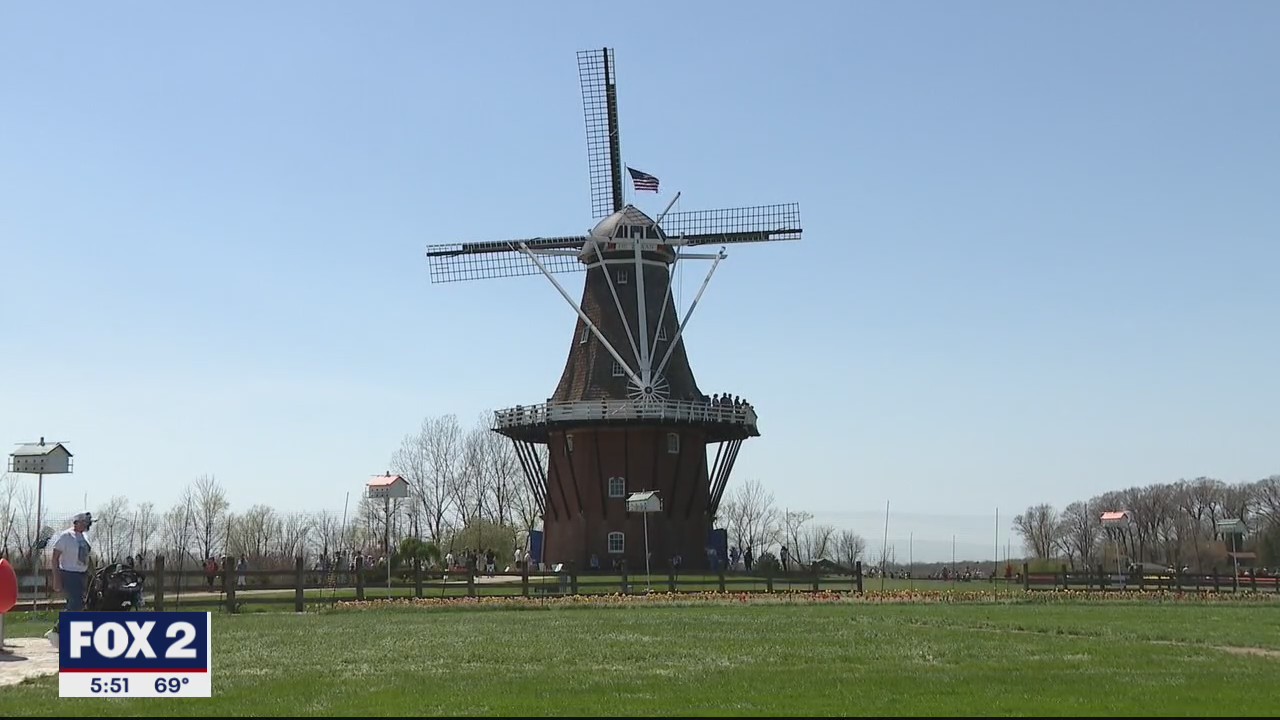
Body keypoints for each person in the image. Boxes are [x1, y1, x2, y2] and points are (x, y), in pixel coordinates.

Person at [44, 511, 94, 646]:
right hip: (69, 573)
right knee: (75, 603)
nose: (86, 525)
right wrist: (56, 577)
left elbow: (86, 557)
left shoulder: (85, 537)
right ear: (77, 522)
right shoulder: (66, 536)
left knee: (80, 605)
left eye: (87, 523)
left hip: (82, 574)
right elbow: (55, 558)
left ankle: (67, 633)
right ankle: (57, 630)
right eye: (84, 522)